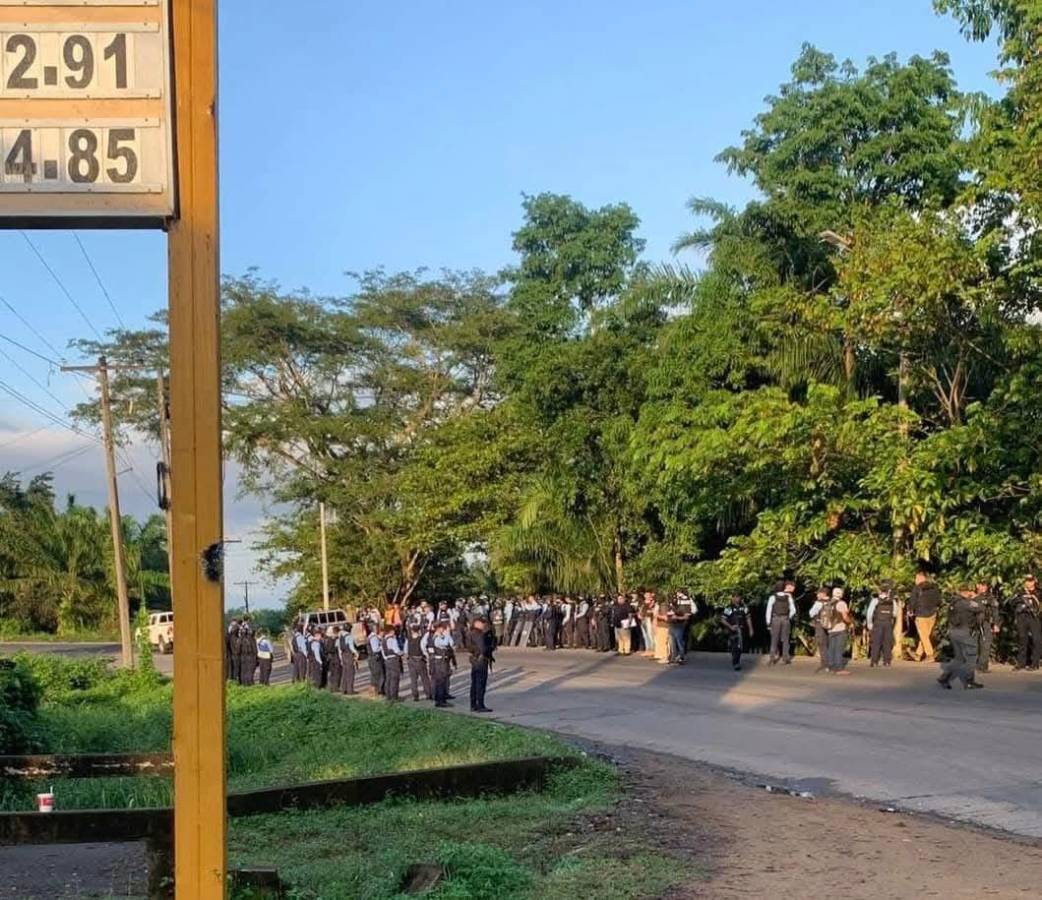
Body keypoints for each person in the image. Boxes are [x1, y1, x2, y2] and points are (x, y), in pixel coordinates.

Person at [938, 585, 984, 690]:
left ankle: (944, 678)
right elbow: (981, 608)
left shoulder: (953, 602)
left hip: (954, 632)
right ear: (967, 592)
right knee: (971, 656)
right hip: (964, 632)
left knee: (959, 658)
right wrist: (975, 598)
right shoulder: (966, 603)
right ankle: (969, 681)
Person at [813, 587, 851, 675]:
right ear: (841, 594)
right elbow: (845, 617)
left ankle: (830, 666)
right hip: (840, 628)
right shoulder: (841, 603)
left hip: (830, 629)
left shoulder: (828, 603)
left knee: (831, 648)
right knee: (839, 648)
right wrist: (850, 622)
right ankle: (838, 668)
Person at [909, 569, 942, 662]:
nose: (915, 580)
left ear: (921, 578)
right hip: (932, 614)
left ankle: (930, 655)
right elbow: (939, 601)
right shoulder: (934, 587)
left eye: (916, 578)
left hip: (921, 614)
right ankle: (918, 654)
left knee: (923, 636)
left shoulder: (917, 588)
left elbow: (912, 601)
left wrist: (910, 610)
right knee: (925, 635)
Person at [1013, 573, 1041, 670]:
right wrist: (1021, 599)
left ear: (1034, 582)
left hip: (1034, 617)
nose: (1029, 583)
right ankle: (1021, 663)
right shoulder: (1019, 592)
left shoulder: (1039, 592)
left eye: (1030, 581)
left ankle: (1035, 663)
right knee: (1022, 639)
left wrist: (1032, 597)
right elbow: (1012, 602)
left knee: (1036, 640)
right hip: (1022, 617)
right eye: (1027, 581)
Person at [467, 616, 495, 712]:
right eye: (482, 623)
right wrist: (490, 648)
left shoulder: (470, 633)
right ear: (477, 623)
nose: (484, 625)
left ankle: (473, 704)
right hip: (481, 660)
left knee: (474, 683)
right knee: (480, 683)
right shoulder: (478, 634)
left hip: (474, 659)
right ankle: (480, 705)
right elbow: (483, 648)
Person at [866, 581, 897, 667]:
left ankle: (874, 661)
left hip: (878, 623)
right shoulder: (892, 601)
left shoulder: (875, 600)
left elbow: (869, 613)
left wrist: (869, 623)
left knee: (876, 642)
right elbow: (894, 614)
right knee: (887, 643)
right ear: (888, 592)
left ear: (880, 591)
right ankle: (887, 661)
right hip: (888, 624)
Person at [765, 580, 796, 665]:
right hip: (785, 619)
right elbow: (793, 610)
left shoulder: (772, 597)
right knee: (785, 639)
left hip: (776, 619)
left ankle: (772, 658)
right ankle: (786, 658)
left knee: (774, 639)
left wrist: (768, 622)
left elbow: (768, 611)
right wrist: (788, 617)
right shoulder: (788, 597)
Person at [974, 581, 1000, 674]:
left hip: (985, 623)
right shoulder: (972, 597)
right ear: (977, 585)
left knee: (986, 644)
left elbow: (995, 612)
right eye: (981, 585)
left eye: (985, 585)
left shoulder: (990, 598)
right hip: (973, 624)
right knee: (973, 645)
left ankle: (982, 666)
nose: (983, 587)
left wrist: (996, 624)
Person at [721, 595, 753, 670]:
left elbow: (748, 618)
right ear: (732, 598)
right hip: (732, 630)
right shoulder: (729, 608)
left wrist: (751, 629)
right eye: (735, 597)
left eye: (738, 597)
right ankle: (736, 663)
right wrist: (730, 627)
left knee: (739, 647)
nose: (737, 598)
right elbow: (723, 620)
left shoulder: (744, 608)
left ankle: (737, 661)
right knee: (735, 647)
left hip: (741, 629)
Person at [430, 621, 455, 708]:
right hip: (440, 661)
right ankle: (440, 700)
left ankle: (441, 699)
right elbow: (446, 643)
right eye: (443, 628)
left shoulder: (440, 636)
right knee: (441, 681)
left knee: (442, 680)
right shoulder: (437, 637)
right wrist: (447, 635)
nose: (443, 630)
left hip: (442, 660)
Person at [405, 623, 432, 701]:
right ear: (419, 630)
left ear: (412, 630)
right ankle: (428, 694)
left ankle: (415, 696)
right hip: (419, 660)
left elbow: (405, 650)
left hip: (411, 660)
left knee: (413, 679)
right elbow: (423, 649)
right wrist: (427, 656)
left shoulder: (408, 639)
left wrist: (407, 656)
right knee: (424, 678)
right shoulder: (421, 639)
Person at [667, 590, 695, 664]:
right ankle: (673, 657)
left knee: (679, 642)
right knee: (672, 642)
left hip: (679, 625)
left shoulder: (684, 605)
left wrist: (677, 617)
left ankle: (681, 657)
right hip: (671, 625)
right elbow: (667, 613)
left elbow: (686, 616)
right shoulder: (671, 605)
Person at [380, 624, 404, 701]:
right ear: (391, 631)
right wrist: (402, 653)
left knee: (388, 678)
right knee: (395, 678)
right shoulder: (392, 639)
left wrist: (385, 658)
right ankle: (394, 696)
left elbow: (383, 651)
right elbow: (396, 650)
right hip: (394, 660)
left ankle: (388, 695)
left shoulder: (383, 640)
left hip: (387, 660)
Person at [810, 586, 829, 673]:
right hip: (830, 626)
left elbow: (811, 613)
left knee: (822, 645)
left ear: (822, 594)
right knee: (829, 644)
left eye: (818, 593)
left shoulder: (818, 603)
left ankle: (824, 664)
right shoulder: (831, 602)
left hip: (820, 625)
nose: (817, 595)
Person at [338, 625, 359, 694]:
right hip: (349, 655)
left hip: (343, 655)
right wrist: (356, 653)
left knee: (344, 673)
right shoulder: (349, 636)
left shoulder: (340, 636)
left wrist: (341, 657)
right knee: (350, 673)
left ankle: (343, 689)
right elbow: (351, 647)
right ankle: (350, 690)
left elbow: (339, 648)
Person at [237, 617, 257, 686]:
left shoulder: (240, 640)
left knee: (243, 670)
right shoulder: (252, 640)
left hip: (242, 656)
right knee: (249, 670)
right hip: (250, 656)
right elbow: (255, 649)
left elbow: (238, 649)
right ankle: (249, 683)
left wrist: (239, 655)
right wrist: (256, 656)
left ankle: (243, 683)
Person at [367, 627, 386, 696]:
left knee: (374, 676)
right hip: (375, 659)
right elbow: (375, 649)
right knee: (380, 675)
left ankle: (373, 692)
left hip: (371, 658)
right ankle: (379, 692)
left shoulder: (370, 636)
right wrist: (382, 646)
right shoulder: (374, 638)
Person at [639, 591, 657, 658]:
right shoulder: (643, 603)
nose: (647, 596)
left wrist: (649, 611)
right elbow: (640, 610)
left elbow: (654, 611)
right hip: (643, 620)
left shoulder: (653, 602)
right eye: (646, 595)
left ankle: (653, 650)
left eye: (648, 595)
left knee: (650, 635)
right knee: (645, 635)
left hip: (649, 619)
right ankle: (647, 649)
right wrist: (639, 614)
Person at [326, 625, 343, 692]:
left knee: (332, 673)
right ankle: (336, 687)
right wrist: (335, 648)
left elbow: (327, 649)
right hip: (336, 658)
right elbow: (332, 649)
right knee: (337, 673)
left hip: (331, 659)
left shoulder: (329, 639)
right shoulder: (335, 640)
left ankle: (332, 687)